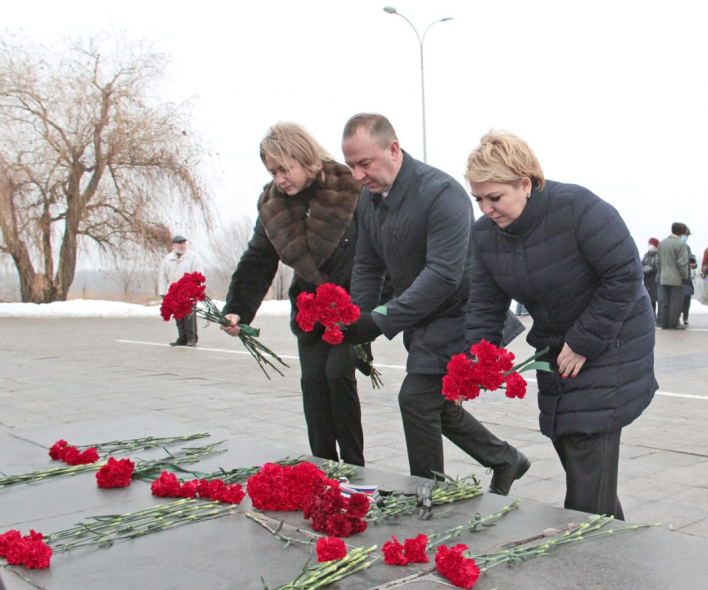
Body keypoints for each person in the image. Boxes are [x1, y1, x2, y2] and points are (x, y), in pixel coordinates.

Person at [461, 131, 656, 519]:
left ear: (525, 183)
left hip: (614, 338)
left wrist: (584, 341)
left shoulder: (578, 209)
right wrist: (475, 361)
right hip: (556, 344)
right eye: (478, 199)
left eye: (494, 197)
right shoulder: (486, 236)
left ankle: (584, 564)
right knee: (570, 444)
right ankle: (614, 546)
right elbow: (484, 303)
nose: (486, 209)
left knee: (585, 442)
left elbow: (624, 276)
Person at [340, 114, 528, 494]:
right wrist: (356, 321)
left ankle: (428, 492)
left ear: (393, 149)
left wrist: (379, 321)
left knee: (416, 398)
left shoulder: (441, 193)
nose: (358, 176)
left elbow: (444, 275)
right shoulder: (369, 201)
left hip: (463, 312)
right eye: (351, 166)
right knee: (433, 403)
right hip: (423, 317)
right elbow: (367, 263)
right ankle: (505, 459)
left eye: (365, 164)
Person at [220, 122, 367, 466]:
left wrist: (373, 305)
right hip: (310, 309)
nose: (280, 178)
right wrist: (237, 309)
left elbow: (373, 249)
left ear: (305, 158)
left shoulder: (349, 187)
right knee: (313, 384)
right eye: (273, 171)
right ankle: (323, 466)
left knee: (337, 376)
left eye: (285, 168)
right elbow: (258, 259)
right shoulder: (272, 205)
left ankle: (355, 469)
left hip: (352, 306)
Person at [158, 235, 203, 346]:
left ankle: (191, 338)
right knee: (178, 316)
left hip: (188, 291)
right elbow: (163, 276)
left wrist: (195, 290)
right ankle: (182, 338)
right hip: (173, 291)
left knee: (189, 315)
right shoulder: (168, 258)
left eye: (184, 243)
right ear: (174, 245)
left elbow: (198, 274)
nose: (182, 245)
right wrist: (163, 293)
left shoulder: (193, 257)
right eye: (180, 244)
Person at [657, 223, 689, 330]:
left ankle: (664, 323)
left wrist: (660, 273)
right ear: (683, 232)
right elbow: (682, 263)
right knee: (676, 302)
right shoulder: (680, 244)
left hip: (664, 276)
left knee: (665, 302)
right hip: (676, 277)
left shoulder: (662, 243)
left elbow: (658, 261)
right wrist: (685, 277)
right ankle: (674, 323)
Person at [680, 227, 697, 326]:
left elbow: (691, 258)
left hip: (687, 277)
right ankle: (677, 317)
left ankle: (685, 317)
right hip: (679, 277)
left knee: (687, 299)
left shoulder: (686, 247)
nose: (686, 237)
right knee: (678, 300)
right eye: (685, 234)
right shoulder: (676, 245)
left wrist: (693, 264)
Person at [642, 238, 659, 317]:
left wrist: (652, 269)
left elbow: (657, 265)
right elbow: (642, 263)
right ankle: (649, 314)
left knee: (654, 298)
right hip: (646, 279)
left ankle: (654, 315)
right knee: (648, 298)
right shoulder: (646, 255)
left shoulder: (658, 255)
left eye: (651, 244)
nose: (649, 246)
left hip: (654, 279)